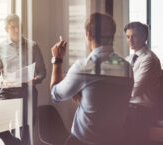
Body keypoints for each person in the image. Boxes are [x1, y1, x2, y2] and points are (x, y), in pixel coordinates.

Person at [50, 13, 133, 145]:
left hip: (84, 141)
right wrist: (85, 92)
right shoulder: (127, 67)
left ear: (88, 34)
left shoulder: (84, 67)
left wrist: (57, 60)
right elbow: (105, 98)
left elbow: (55, 94)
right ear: (112, 35)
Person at [0, 14, 46, 145]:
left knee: (26, 130)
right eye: (12, 27)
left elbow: (42, 72)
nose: (16, 30)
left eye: (19, 26)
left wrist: (35, 80)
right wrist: (2, 81)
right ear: (6, 29)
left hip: (28, 91)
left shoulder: (33, 46)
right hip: (8, 91)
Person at [123, 21, 161, 144]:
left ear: (144, 37)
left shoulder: (149, 59)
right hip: (128, 107)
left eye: (134, 36)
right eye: (128, 37)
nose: (130, 40)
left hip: (142, 110)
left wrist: (116, 93)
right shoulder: (128, 59)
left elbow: (135, 90)